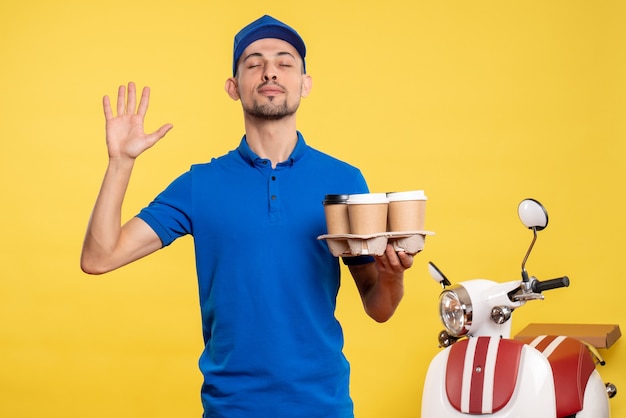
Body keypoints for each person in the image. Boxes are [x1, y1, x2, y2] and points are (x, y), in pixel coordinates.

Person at [81, 14, 415, 418]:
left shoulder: (343, 180)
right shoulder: (200, 184)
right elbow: (99, 258)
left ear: (305, 84)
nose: (270, 71)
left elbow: (378, 307)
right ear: (233, 87)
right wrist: (120, 162)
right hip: (230, 408)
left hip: (323, 407)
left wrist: (392, 274)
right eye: (253, 63)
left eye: (285, 62)